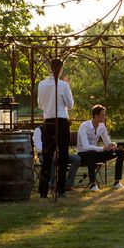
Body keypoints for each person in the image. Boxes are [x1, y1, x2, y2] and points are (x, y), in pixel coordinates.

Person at [37, 58, 74, 198]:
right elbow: (70, 105)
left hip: (48, 123)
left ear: (49, 68)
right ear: (61, 69)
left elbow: (40, 105)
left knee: (47, 156)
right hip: (61, 122)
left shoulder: (41, 84)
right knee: (63, 156)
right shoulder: (63, 85)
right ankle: (60, 189)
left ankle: (43, 190)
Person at [76, 104, 124, 192]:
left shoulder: (101, 126)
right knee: (91, 153)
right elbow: (85, 147)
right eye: (103, 115)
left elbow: (107, 142)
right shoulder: (84, 126)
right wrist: (102, 148)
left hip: (96, 154)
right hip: (83, 155)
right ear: (96, 116)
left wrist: (113, 145)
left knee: (120, 152)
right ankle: (93, 185)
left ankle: (117, 182)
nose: (105, 117)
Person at [33, 125, 81, 191]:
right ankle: (51, 185)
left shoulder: (61, 130)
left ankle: (67, 185)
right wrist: (52, 152)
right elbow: (38, 148)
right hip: (45, 155)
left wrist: (60, 152)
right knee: (51, 159)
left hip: (60, 155)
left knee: (77, 158)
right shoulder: (39, 130)